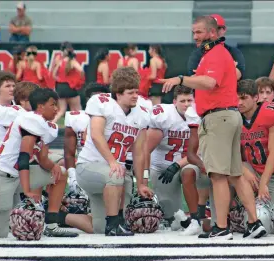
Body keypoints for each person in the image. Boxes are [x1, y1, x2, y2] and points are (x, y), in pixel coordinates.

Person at [160, 16, 260, 240]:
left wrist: (180, 79)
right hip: (228, 115)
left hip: (219, 117)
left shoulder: (215, 54)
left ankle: (222, 228)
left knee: (218, 176)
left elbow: (209, 83)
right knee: (235, 175)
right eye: (193, 32)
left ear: (213, 33)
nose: (195, 37)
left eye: (199, 32)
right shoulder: (218, 53)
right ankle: (255, 223)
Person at [75, 67, 153, 236]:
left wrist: (142, 183)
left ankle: (62, 217)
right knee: (117, 175)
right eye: (130, 92)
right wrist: (112, 161)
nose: (135, 96)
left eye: (136, 92)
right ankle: (113, 225)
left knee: (98, 228)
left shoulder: (141, 114)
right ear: (118, 93)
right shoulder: (102, 103)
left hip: (114, 174)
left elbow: (139, 152)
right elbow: (96, 135)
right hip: (89, 167)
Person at [0, 88, 79, 238]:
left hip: (18, 175)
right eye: (53, 104)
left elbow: (42, 158)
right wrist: (28, 191)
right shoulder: (31, 120)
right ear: (41, 106)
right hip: (4, 175)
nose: (57, 109)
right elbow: (23, 158)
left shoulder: (46, 126)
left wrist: (53, 166)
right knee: (1, 234)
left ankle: (52, 225)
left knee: (61, 173)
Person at [144, 85, 202, 235]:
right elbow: (145, 151)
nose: (187, 104)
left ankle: (199, 215)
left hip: (187, 163)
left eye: (190, 100)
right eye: (183, 100)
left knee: (189, 172)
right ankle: (184, 220)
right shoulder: (163, 115)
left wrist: (177, 165)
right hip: (161, 167)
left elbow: (199, 151)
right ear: (174, 101)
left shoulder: (200, 114)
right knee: (174, 218)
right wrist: (144, 178)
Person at [237, 80, 274, 225]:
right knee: (227, 172)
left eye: (244, 98)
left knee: (268, 221)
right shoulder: (234, 116)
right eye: (237, 98)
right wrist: (244, 170)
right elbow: (229, 153)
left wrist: (263, 183)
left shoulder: (271, 112)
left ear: (255, 98)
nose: (239, 102)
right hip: (251, 168)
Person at [64, 83, 110, 193]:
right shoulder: (76, 118)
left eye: (103, 99)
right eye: (96, 99)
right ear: (88, 100)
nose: (100, 103)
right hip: (84, 165)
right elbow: (69, 153)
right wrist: (72, 175)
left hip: (108, 165)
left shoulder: (116, 119)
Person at [187, 14, 245, 81]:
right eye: (211, 30)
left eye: (218, 28)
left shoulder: (234, 52)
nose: (215, 32)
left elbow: (237, 75)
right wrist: (229, 68)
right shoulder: (198, 53)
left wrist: (206, 72)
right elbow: (194, 79)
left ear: (224, 30)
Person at [52, 42, 85, 123]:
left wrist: (60, 80)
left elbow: (53, 75)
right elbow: (81, 70)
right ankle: (81, 127)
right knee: (77, 110)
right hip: (70, 87)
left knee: (61, 111)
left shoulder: (59, 61)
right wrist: (76, 80)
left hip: (60, 87)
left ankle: (51, 124)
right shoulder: (72, 62)